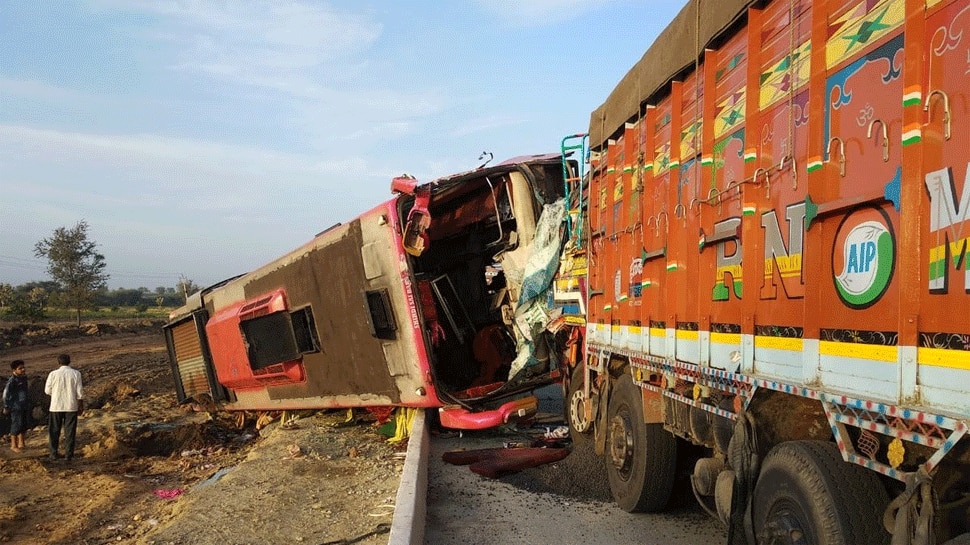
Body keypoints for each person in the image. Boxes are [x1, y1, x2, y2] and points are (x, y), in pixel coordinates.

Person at [44, 354, 84, 461]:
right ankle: (68, 455)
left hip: (56, 406)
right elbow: (79, 392)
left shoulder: (53, 374)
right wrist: (81, 405)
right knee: (70, 431)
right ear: (69, 362)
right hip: (71, 405)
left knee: (54, 431)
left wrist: (56, 393)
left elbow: (47, 391)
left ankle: (53, 454)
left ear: (58, 362)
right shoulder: (76, 373)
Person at [3, 360, 29, 453]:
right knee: (16, 425)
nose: (23, 370)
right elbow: (6, 395)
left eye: (23, 367)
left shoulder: (23, 379)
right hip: (16, 407)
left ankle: (21, 442)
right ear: (14, 370)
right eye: (20, 368)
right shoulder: (12, 381)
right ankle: (13, 445)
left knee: (23, 424)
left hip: (23, 405)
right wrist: (6, 406)